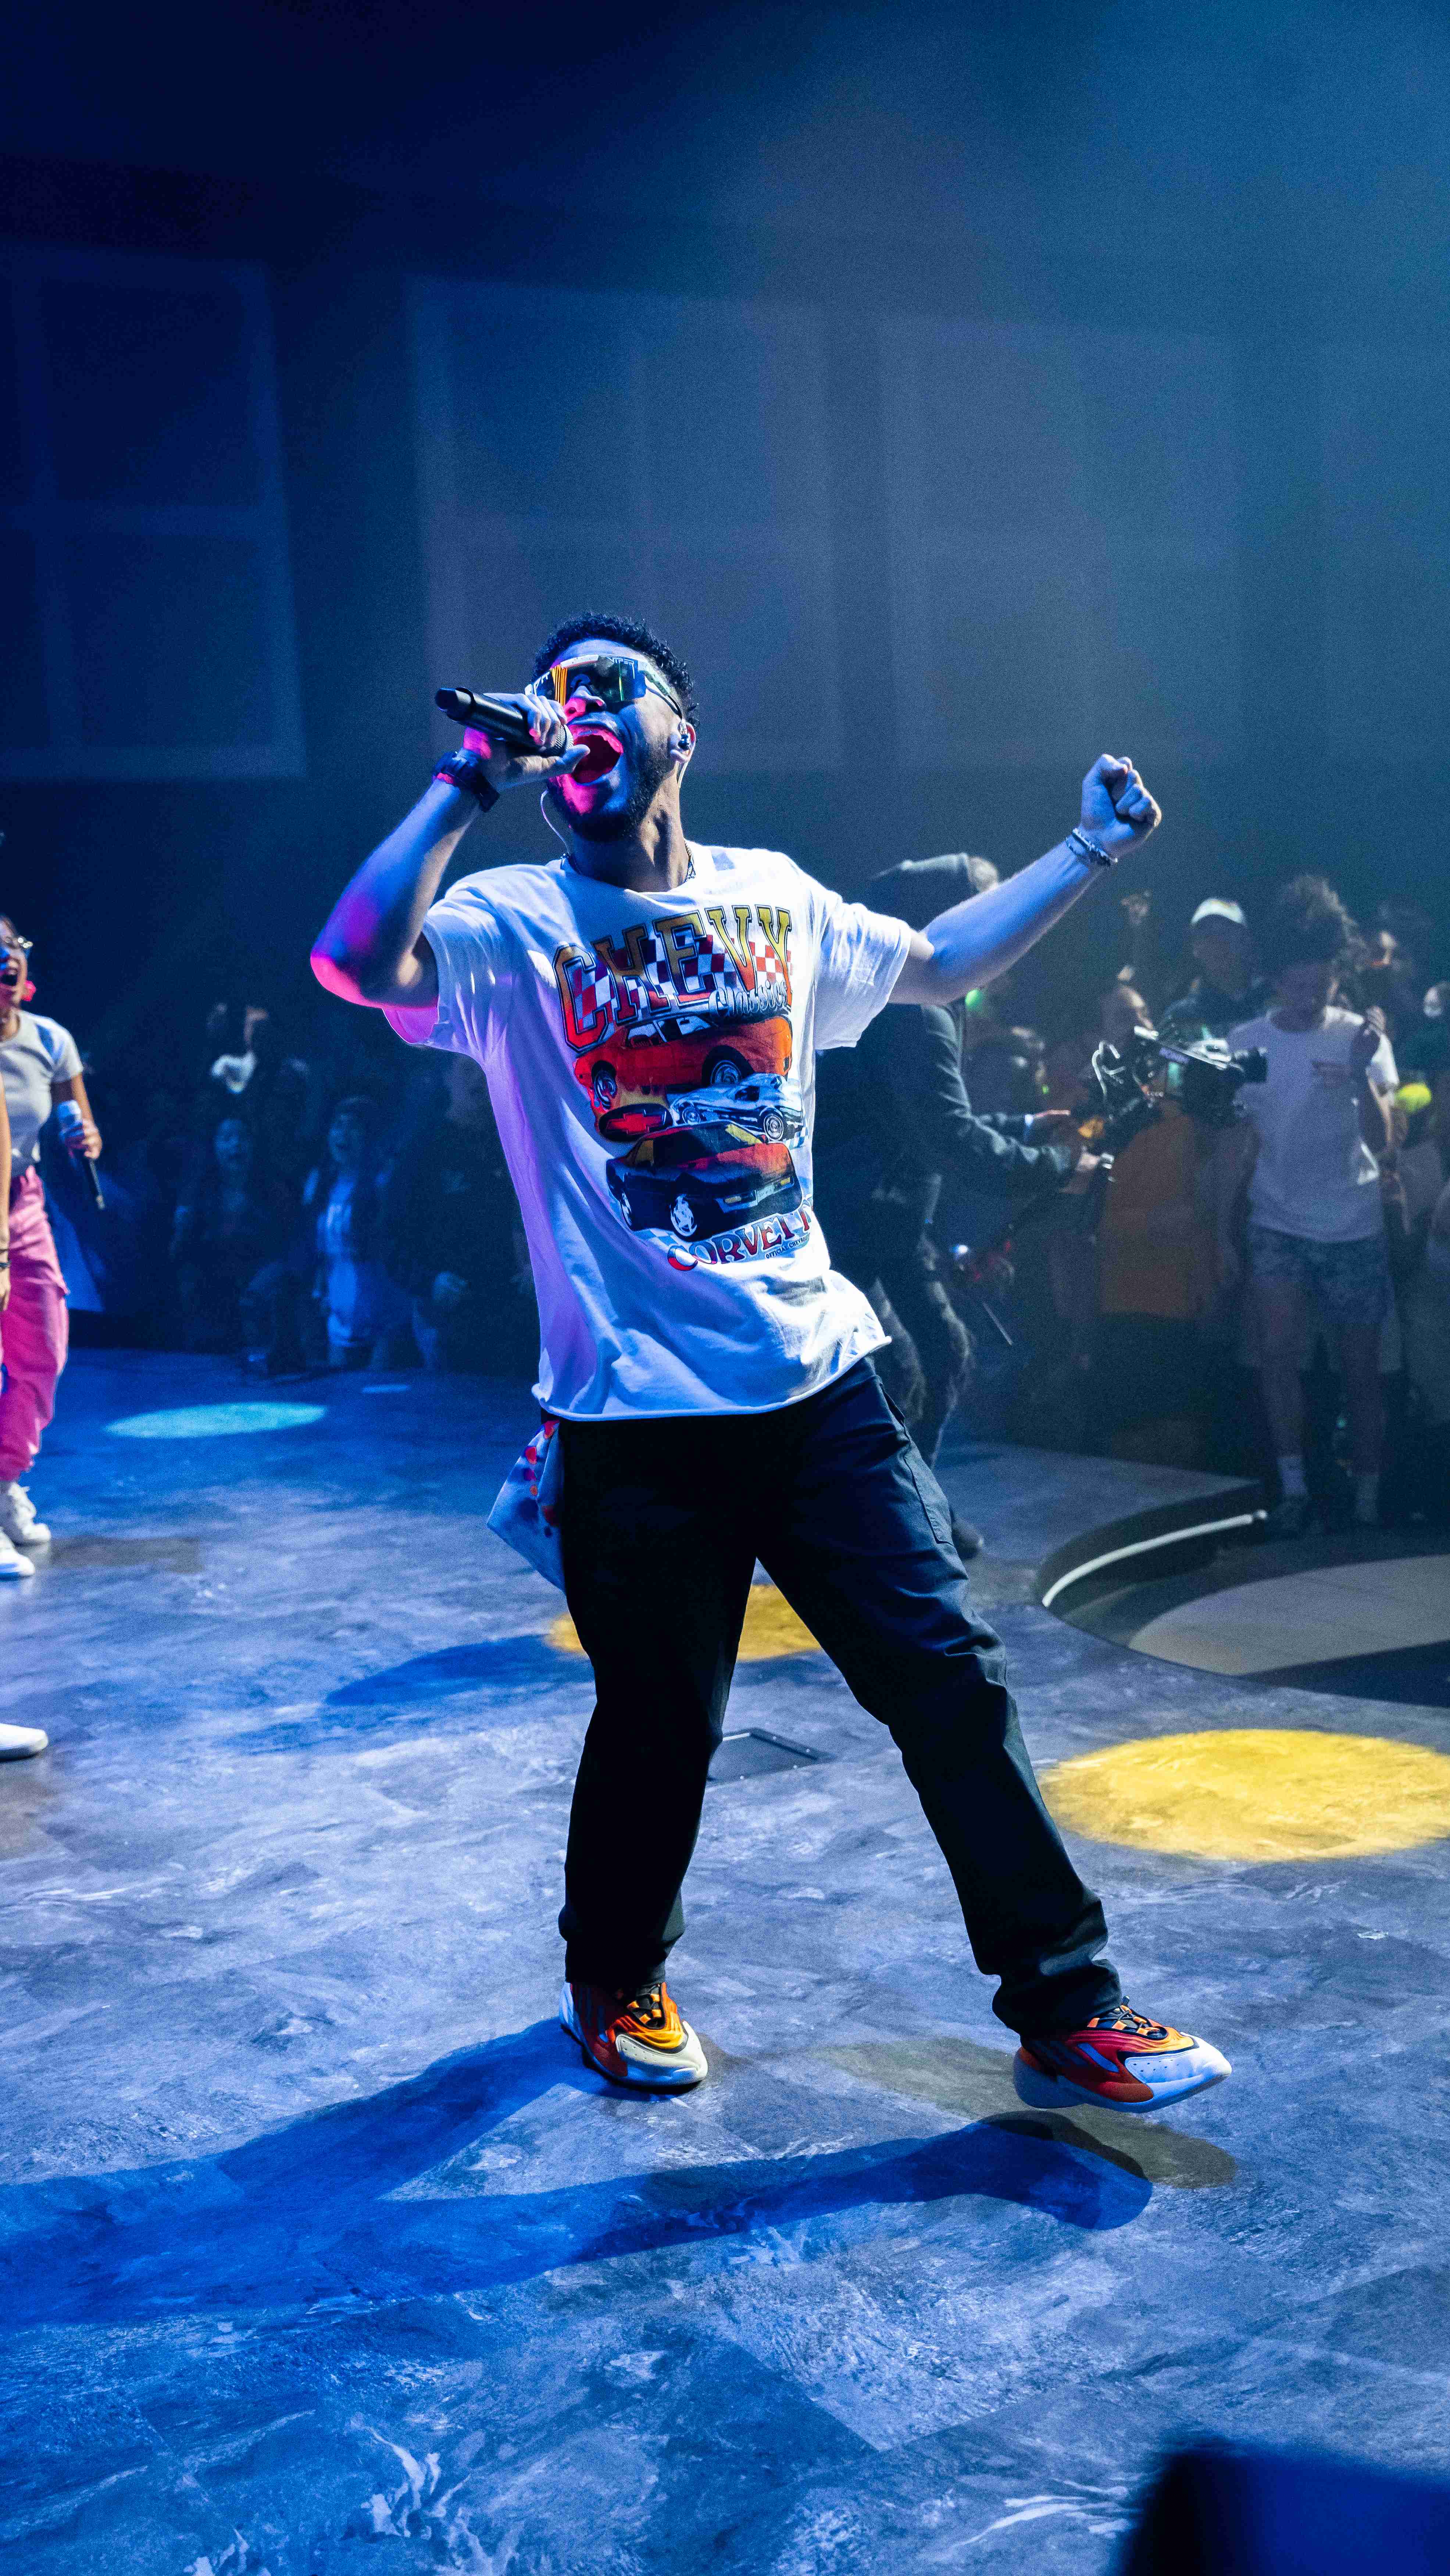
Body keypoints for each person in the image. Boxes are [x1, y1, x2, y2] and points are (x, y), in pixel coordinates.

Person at [312, 609, 1228, 2117]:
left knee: (949, 1681)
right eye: (554, 701)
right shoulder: (510, 919)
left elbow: (931, 967)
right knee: (662, 1723)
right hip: (635, 1420)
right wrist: (464, 777)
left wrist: (1087, 854)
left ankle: (1067, 2005)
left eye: (610, 688)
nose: (576, 710)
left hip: (821, 1386)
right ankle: (611, 1981)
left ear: (682, 731)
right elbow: (355, 965)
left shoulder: (774, 901)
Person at [813, 852, 1087, 1490]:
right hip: (848, 1226)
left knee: (942, 1354)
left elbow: (919, 1118)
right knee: (899, 1374)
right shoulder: (913, 1008)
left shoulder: (923, 999)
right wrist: (1054, 1168)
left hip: (887, 1221)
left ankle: (916, 1513)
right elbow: (947, 1139)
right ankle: (879, 1531)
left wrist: (1021, 1130)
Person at [1221, 875, 1397, 1536]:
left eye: (1319, 985)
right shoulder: (1245, 1043)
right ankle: (1293, 1487)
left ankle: (1366, 1497)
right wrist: (1220, 1231)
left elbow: (1382, 1144)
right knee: (1275, 1354)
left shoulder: (1359, 1037)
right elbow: (1234, 1145)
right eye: (1296, 985)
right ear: (1274, 978)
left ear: (1334, 976)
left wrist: (1356, 1077)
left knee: (1359, 1371)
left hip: (1351, 1223)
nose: (1308, 997)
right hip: (1276, 1221)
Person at [0, 915, 101, 1559]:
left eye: (12, 951)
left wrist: (85, 1138)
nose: (6, 963)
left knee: (44, 1346)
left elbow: (79, 1117)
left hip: (23, 1201)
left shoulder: (49, 1040)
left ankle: (5, 1477)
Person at [383, 1054, 534, 1375]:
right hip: (450, 1319)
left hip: (517, 1313)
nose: (478, 1081)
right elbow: (387, 1234)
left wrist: (539, 1267)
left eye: (483, 1071)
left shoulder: (513, 1140)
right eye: (468, 1070)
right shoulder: (423, 1149)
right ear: (447, 1078)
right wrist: (428, 1282)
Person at [169, 1113, 293, 1354]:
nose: (236, 1145)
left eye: (242, 1138)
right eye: (227, 1138)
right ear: (215, 1145)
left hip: (257, 1296)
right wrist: (181, 1230)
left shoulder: (274, 1191)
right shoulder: (198, 1192)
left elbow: (287, 1248)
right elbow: (179, 1253)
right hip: (209, 1300)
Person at [303, 1094, 407, 1368]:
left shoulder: (382, 1183)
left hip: (384, 1315)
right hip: (339, 1316)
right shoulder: (320, 1185)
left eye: (353, 1127)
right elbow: (319, 1250)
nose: (343, 1134)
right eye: (338, 1126)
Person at [1159, 897, 1265, 1046]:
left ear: (1245, 941)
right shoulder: (1180, 1016)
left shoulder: (1272, 1005)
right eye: (1207, 937)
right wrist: (1192, 1058)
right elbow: (1164, 1056)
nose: (1217, 944)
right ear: (1195, 949)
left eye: (1225, 933)